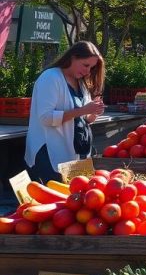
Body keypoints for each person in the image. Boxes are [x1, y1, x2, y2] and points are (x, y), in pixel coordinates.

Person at [25, 41, 106, 183]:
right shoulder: (50, 77)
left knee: (76, 196)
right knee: (55, 198)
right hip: (50, 151)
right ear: (73, 57)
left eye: (91, 68)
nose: (88, 71)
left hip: (76, 154)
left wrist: (93, 113)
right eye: (86, 65)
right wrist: (83, 110)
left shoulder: (81, 82)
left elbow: (84, 119)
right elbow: (46, 118)